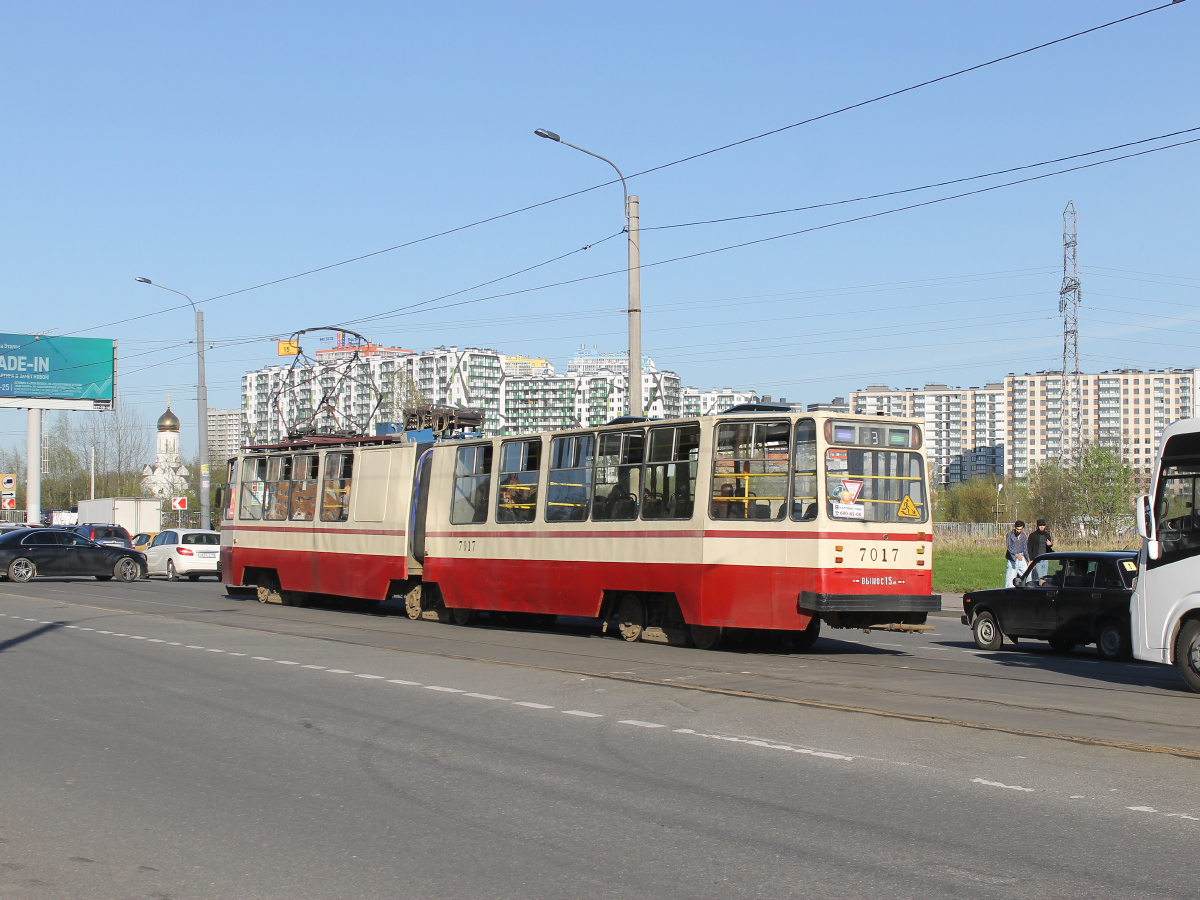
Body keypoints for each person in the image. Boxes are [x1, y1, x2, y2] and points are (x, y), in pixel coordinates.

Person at [1005, 520, 1028, 588]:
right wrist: (1016, 554)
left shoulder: (1023, 536)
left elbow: (1025, 548)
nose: (1019, 531)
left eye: (1020, 529)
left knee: (1027, 574)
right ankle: (1008, 592)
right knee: (1011, 578)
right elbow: (1009, 547)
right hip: (1012, 558)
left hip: (1021, 557)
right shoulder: (1010, 535)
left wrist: (1029, 560)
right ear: (1015, 528)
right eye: (1017, 529)